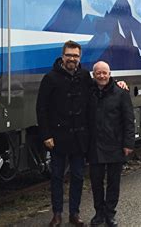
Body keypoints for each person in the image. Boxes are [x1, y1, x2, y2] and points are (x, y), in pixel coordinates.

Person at [36, 40, 92, 227]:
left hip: (79, 139)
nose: (72, 59)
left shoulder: (85, 76)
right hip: (58, 138)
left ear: (80, 57)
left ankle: (74, 213)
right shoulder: (50, 78)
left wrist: (118, 85)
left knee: (77, 177)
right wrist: (46, 135)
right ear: (62, 56)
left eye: (75, 56)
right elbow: (41, 109)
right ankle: (57, 214)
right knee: (57, 178)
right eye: (69, 55)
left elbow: (100, 91)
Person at [89, 61, 135, 227]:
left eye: (104, 73)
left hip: (115, 144)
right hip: (94, 145)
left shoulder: (121, 92)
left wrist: (128, 143)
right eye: (98, 73)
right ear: (93, 75)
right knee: (96, 182)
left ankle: (110, 214)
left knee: (113, 182)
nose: (102, 76)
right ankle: (99, 213)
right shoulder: (89, 92)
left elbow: (129, 120)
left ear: (110, 74)